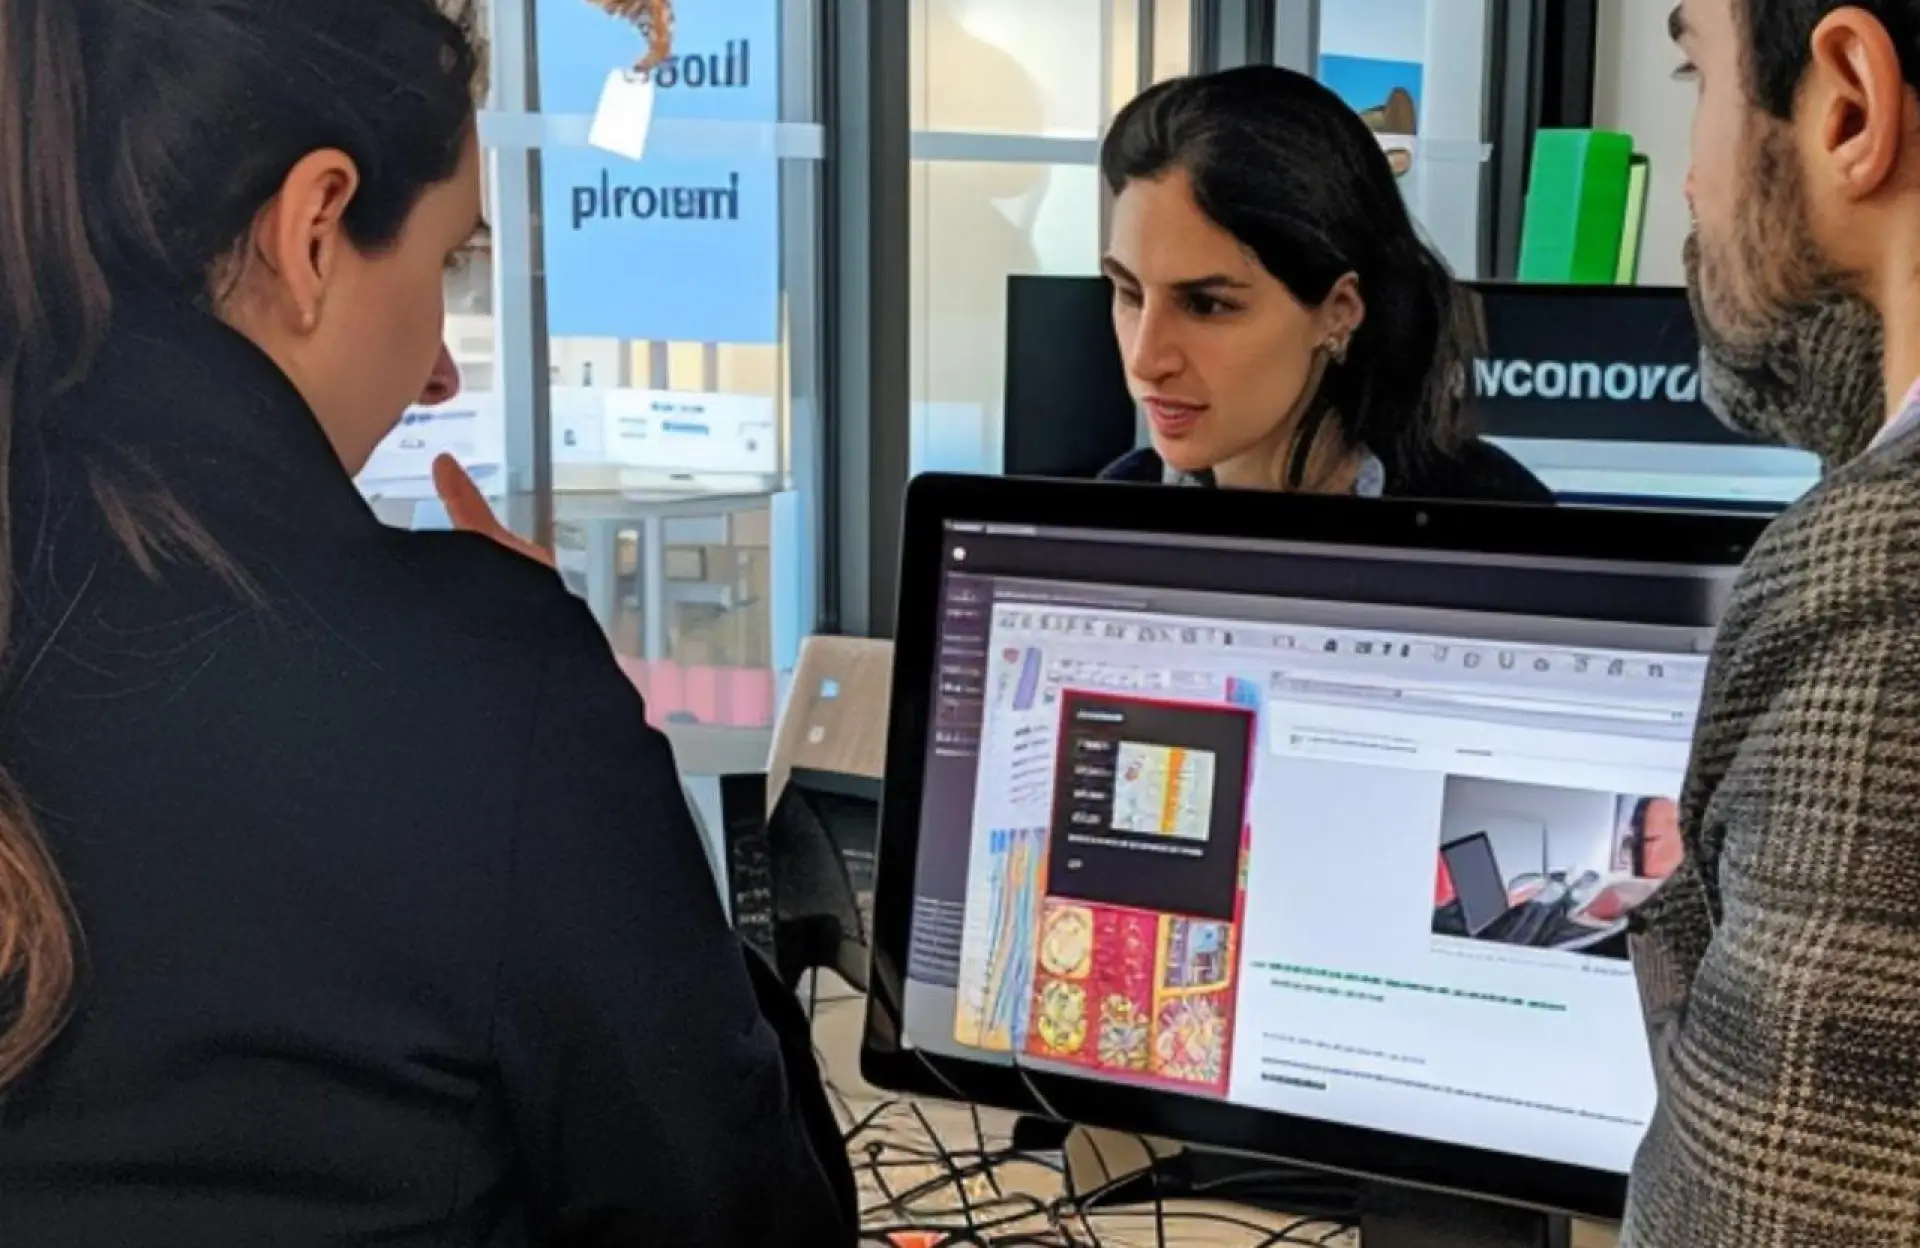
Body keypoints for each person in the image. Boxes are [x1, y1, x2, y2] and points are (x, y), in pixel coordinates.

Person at [0, 3, 854, 1246]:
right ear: (315, 228)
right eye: (450, 263)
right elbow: (746, 1214)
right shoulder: (478, 696)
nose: (444, 371)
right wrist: (558, 717)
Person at [1627, 2, 1920, 1243]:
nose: (1689, 180)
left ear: (1846, 103)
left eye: (1698, 72)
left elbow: (1764, 1202)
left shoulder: (1885, 599)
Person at [1095, 67, 1552, 503]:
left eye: (1206, 305)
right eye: (1130, 294)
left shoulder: (1491, 517)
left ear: (1338, 310)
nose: (1146, 360)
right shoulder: (1105, 511)